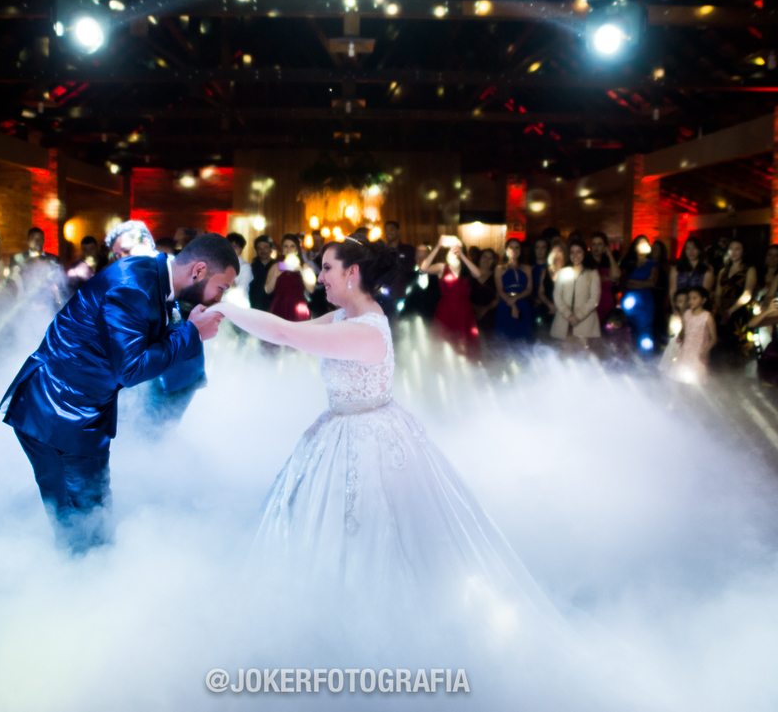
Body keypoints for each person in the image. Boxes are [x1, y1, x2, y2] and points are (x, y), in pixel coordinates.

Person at [208, 237, 566, 622]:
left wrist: (224, 308)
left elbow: (284, 335)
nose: (321, 277)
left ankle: (367, 618)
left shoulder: (366, 330)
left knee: (375, 535)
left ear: (352, 272)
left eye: (327, 268)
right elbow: (292, 330)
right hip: (339, 429)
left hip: (369, 439)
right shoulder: (345, 317)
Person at [0, 234, 235, 551]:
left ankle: (93, 587)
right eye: (221, 288)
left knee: (94, 515)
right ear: (199, 270)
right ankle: (78, 592)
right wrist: (191, 334)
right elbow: (131, 368)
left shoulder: (159, 280)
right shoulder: (133, 286)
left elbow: (161, 333)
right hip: (57, 414)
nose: (219, 298)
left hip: (81, 412)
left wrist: (187, 331)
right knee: (80, 527)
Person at [421, 235, 482, 357]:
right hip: (445, 309)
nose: (454, 249)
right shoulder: (442, 267)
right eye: (452, 247)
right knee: (444, 341)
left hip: (464, 310)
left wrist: (463, 256)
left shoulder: (466, 268)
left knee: (464, 342)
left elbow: (478, 274)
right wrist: (438, 246)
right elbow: (423, 268)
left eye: (458, 246)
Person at [714, 239, 758, 364]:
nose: (733, 252)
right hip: (722, 310)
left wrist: (730, 311)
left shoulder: (749, 269)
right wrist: (719, 309)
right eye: (731, 249)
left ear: (743, 252)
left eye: (737, 249)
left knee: (739, 344)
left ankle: (740, 375)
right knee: (721, 345)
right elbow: (718, 293)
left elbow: (747, 294)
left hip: (740, 310)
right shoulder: (722, 271)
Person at [551, 240, 601, 345]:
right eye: (572, 252)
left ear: (584, 253)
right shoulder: (563, 272)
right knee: (564, 353)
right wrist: (568, 315)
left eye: (578, 251)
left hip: (585, 320)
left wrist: (578, 316)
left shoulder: (592, 273)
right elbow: (557, 295)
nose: (575, 255)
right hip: (564, 320)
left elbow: (594, 298)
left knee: (583, 354)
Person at [667, 286, 717, 384]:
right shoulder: (687, 314)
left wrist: (704, 352)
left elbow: (713, 338)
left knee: (695, 381)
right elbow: (684, 331)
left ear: (703, 300)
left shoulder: (707, 317)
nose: (691, 301)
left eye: (694, 298)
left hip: (698, 353)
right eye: (689, 298)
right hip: (685, 352)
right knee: (679, 379)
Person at [620, 235, 659, 352]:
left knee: (645, 330)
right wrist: (642, 283)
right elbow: (623, 282)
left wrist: (632, 282)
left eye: (645, 243)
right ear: (635, 247)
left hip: (646, 302)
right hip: (629, 301)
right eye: (640, 243)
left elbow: (652, 283)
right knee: (630, 330)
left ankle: (646, 359)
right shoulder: (627, 263)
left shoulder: (652, 264)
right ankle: (632, 359)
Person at [265, 234, 315, 322]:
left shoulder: (304, 266)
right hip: (279, 306)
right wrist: (275, 277)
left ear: (297, 249)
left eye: (292, 246)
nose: (289, 249)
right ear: (282, 249)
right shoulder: (276, 266)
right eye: (286, 246)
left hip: (298, 306)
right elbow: (267, 290)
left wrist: (301, 271)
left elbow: (311, 289)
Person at [494, 238, 534, 341]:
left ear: (520, 251)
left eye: (517, 248)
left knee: (523, 339)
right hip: (506, 304)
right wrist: (512, 304)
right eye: (511, 247)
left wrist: (516, 297)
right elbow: (500, 291)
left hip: (523, 304)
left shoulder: (527, 268)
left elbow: (529, 289)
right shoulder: (499, 268)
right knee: (505, 340)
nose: (514, 250)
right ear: (506, 250)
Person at [667, 237, 714, 304]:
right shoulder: (676, 268)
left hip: (698, 305)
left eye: (694, 248)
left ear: (700, 250)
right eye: (688, 248)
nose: (691, 251)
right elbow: (672, 291)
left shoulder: (707, 268)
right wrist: (674, 308)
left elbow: (705, 291)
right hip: (680, 305)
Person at [382, 220, 414, 310]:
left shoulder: (409, 250)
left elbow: (412, 271)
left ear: (398, 231)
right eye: (386, 230)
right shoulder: (381, 251)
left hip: (404, 296)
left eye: (391, 229)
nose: (388, 232)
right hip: (385, 297)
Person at [591, 232, 620, 327]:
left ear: (605, 246)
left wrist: (610, 254)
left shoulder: (608, 262)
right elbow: (594, 279)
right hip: (592, 306)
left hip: (607, 305)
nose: (596, 247)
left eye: (599, 244)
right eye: (594, 244)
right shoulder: (587, 262)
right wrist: (609, 278)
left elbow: (616, 275)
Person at [469, 248, 499, 338]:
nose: (487, 260)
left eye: (490, 258)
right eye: (484, 257)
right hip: (470, 312)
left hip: (489, 314)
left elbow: (498, 296)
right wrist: (476, 308)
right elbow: (463, 294)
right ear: (479, 258)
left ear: (493, 261)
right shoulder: (470, 274)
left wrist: (486, 309)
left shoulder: (496, 275)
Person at [531, 238, 556, 334]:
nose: (540, 250)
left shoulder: (552, 269)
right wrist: (533, 299)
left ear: (547, 250)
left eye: (543, 247)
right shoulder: (528, 268)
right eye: (537, 247)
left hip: (549, 307)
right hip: (532, 306)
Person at [223, 232, 253, 306]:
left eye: (236, 246)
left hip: (238, 306)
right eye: (230, 246)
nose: (232, 249)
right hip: (221, 305)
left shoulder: (245, 267)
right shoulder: (220, 263)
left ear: (241, 249)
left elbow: (240, 292)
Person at [248, 235, 276, 312]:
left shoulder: (278, 265)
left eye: (265, 247)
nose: (262, 251)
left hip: (273, 308)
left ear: (271, 249)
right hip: (255, 307)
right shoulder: (251, 267)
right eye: (259, 248)